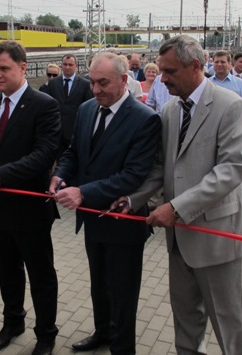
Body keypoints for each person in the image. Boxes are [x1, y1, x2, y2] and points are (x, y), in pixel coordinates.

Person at [126, 35, 242, 355]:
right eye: (161, 71)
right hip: (179, 239)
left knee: (227, 319)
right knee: (185, 318)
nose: (162, 78)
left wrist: (177, 208)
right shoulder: (170, 110)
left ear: (195, 66)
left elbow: (231, 169)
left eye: (169, 71)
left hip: (216, 236)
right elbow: (160, 167)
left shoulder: (231, 106)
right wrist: (131, 199)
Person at [49, 52, 161, 355]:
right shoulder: (87, 109)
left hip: (123, 223)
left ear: (124, 81)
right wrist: (60, 175)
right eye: (92, 82)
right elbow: (73, 152)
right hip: (92, 219)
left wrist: (82, 191)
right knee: (99, 283)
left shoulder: (145, 119)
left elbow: (132, 175)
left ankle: (122, 348)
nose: (95, 89)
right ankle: (103, 332)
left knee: (123, 291)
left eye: (103, 83)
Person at [0, 41, 61, 355]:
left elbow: (44, 155)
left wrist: (1, 175)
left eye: (4, 68)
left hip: (30, 209)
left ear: (22, 68)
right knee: (7, 271)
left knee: (41, 276)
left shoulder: (44, 104)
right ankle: (13, 322)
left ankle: (46, 335)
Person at [47, 54, 93, 156]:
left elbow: (89, 107)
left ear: (76, 66)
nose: (67, 67)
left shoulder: (84, 84)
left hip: (75, 130)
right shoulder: (53, 83)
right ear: (61, 65)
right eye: (65, 64)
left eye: (70, 65)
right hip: (57, 131)